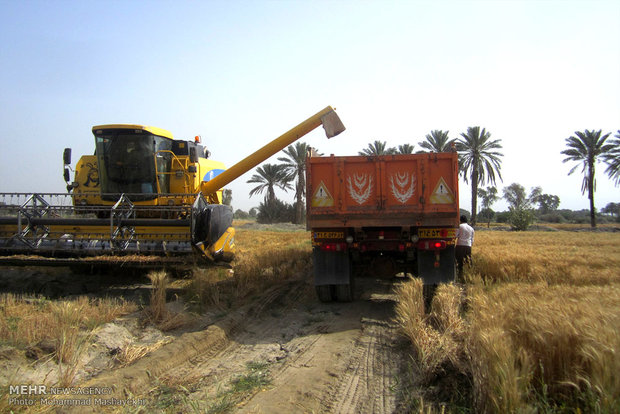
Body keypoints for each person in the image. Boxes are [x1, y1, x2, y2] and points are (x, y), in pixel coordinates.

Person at [455, 215, 474, 280]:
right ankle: (468, 275)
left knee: (459, 261)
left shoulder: (460, 227)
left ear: (460, 220)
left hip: (460, 245)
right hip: (468, 246)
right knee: (468, 261)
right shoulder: (471, 228)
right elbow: (472, 239)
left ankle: (459, 275)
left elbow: (455, 235)